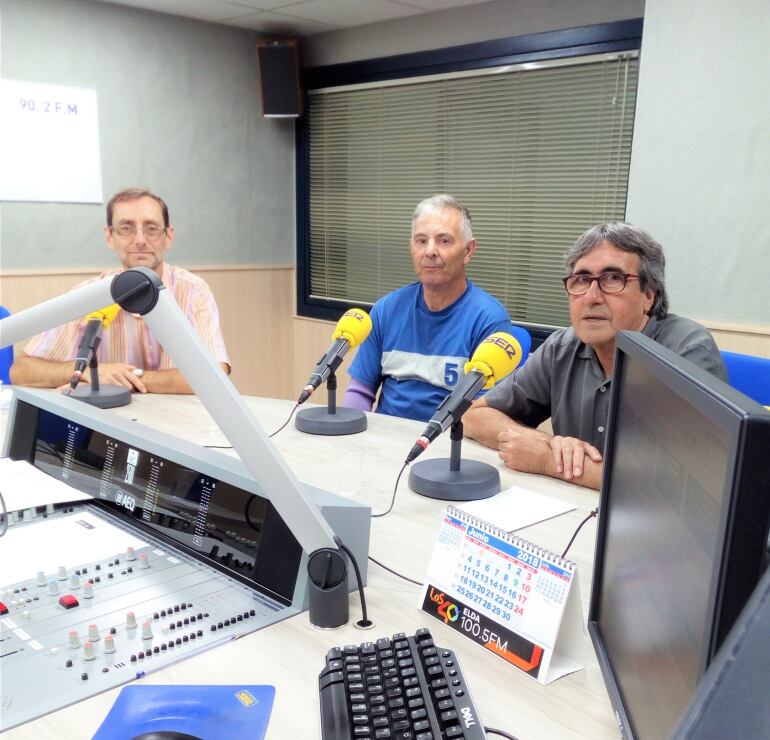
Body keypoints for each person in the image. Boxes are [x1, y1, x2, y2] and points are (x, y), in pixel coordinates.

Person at [463, 222, 727, 490]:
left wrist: (548, 460)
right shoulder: (562, 347)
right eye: (581, 279)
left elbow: (686, 485)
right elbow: (473, 416)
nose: (591, 297)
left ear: (649, 294)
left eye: (613, 279)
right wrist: (539, 442)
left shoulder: (686, 352)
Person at [10, 188, 230, 393]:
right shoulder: (88, 296)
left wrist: (126, 377)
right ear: (109, 237)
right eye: (126, 228)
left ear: (168, 237)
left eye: (151, 228)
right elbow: (21, 371)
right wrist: (89, 372)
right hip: (111, 424)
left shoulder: (193, 291)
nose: (141, 240)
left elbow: (215, 376)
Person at [344, 194, 530, 422]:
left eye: (444, 241)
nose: (430, 251)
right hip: (386, 442)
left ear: (468, 251)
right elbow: (360, 392)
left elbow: (480, 413)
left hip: (449, 445)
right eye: (421, 241)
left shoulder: (488, 319)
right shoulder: (386, 309)